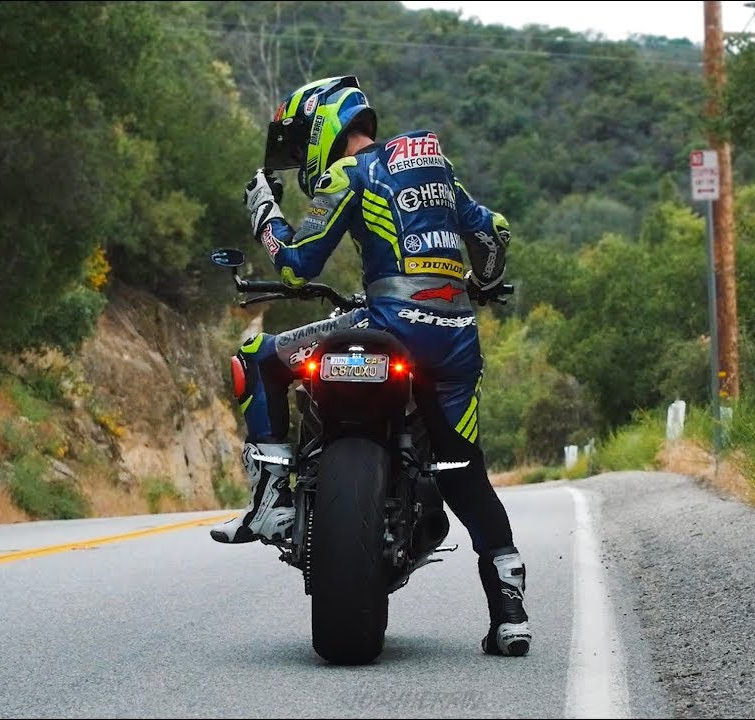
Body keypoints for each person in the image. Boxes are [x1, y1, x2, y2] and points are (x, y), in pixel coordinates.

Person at [208, 75, 530, 657]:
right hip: (455, 342)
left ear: (324, 129)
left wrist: (265, 215)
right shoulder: (437, 168)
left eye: (304, 138)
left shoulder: (349, 175)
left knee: (258, 358)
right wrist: (481, 284)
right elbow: (491, 234)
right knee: (463, 468)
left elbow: (297, 267)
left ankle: (270, 502)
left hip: (388, 328)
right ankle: (510, 613)